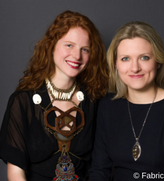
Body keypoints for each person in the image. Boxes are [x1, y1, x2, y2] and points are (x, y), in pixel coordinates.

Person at [0, 10, 108, 181]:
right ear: (51, 46)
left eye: (85, 49)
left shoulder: (95, 100)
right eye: (69, 45)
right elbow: (16, 172)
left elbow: (102, 166)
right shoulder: (22, 101)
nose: (77, 55)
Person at [89, 21, 164, 181]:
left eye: (144, 57)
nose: (135, 68)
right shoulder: (107, 106)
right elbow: (99, 171)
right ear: (115, 63)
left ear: (158, 61)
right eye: (125, 59)